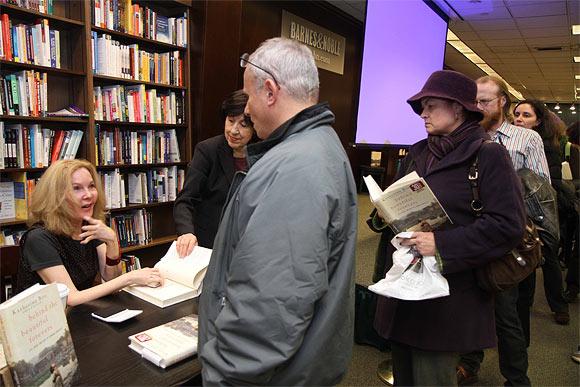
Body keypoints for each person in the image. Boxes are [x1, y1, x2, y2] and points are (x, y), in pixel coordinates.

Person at [197, 37, 357, 385]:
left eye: (250, 97)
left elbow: (270, 305)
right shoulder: (320, 145)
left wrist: (224, 376)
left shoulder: (294, 168)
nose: (248, 111)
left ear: (270, 91)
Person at [373, 70, 526, 386]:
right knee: (404, 374)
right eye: (422, 107)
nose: (423, 114)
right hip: (406, 287)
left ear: (458, 108)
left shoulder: (488, 154)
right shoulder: (419, 151)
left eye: (431, 106)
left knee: (432, 376)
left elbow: (507, 225)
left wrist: (441, 245)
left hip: (450, 294)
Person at [457, 77, 552, 386]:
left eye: (485, 101)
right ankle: (470, 362)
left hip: (506, 239)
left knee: (505, 314)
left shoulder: (525, 139)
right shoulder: (465, 137)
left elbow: (540, 192)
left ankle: (516, 378)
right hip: (469, 234)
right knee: (468, 304)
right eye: (475, 102)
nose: (478, 107)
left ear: (502, 103)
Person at [15, 159, 163, 305]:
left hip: (78, 315)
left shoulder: (87, 224)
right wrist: (130, 278)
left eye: (91, 186)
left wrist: (112, 241)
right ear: (56, 196)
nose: (89, 195)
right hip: (40, 323)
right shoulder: (38, 238)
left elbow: (111, 279)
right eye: (76, 188)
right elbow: (71, 298)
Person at [173, 90, 254, 255]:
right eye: (230, 121)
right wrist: (187, 232)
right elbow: (185, 200)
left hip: (247, 248)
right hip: (210, 245)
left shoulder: (264, 155)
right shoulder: (207, 150)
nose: (233, 130)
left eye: (243, 125)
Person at [513, 100, 572, 324]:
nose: (519, 119)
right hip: (522, 208)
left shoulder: (547, 146)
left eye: (526, 115)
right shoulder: (510, 143)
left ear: (538, 120)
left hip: (542, 208)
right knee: (526, 260)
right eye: (517, 114)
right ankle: (524, 307)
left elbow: (548, 182)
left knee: (548, 258)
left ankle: (558, 305)